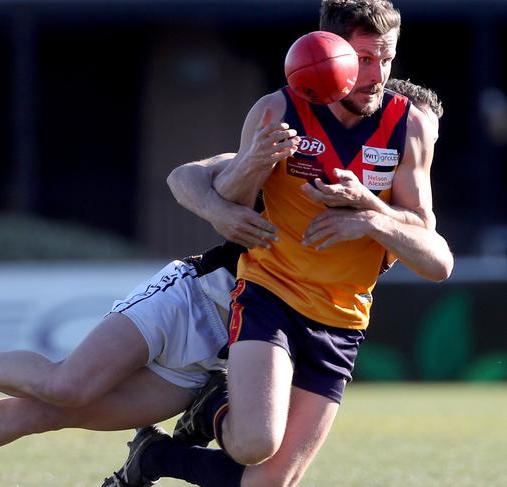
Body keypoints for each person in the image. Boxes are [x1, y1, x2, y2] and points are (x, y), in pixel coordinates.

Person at [104, 0, 453, 485]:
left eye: (387, 58)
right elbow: (201, 183)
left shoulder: (408, 127)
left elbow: (437, 258)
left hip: (342, 321)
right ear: (329, 53)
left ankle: (156, 457)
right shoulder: (281, 110)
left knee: (267, 483)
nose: (377, 73)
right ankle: (217, 409)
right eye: (364, 59)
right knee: (254, 443)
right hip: (271, 293)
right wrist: (243, 177)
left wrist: (370, 215)